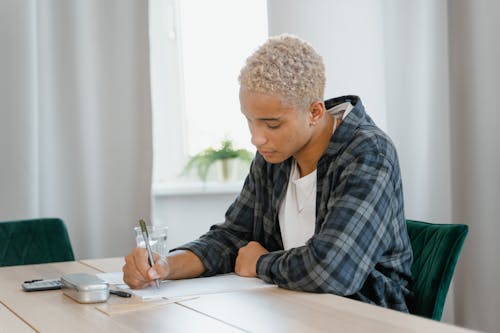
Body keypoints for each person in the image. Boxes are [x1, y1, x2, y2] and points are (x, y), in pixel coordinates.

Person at [123, 34, 413, 312]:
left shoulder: (368, 153)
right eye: (250, 121)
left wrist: (260, 263)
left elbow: (333, 270)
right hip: (290, 310)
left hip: (364, 317)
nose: (256, 138)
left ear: (314, 112)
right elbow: (233, 237)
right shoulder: (274, 155)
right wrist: (165, 265)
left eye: (272, 125)